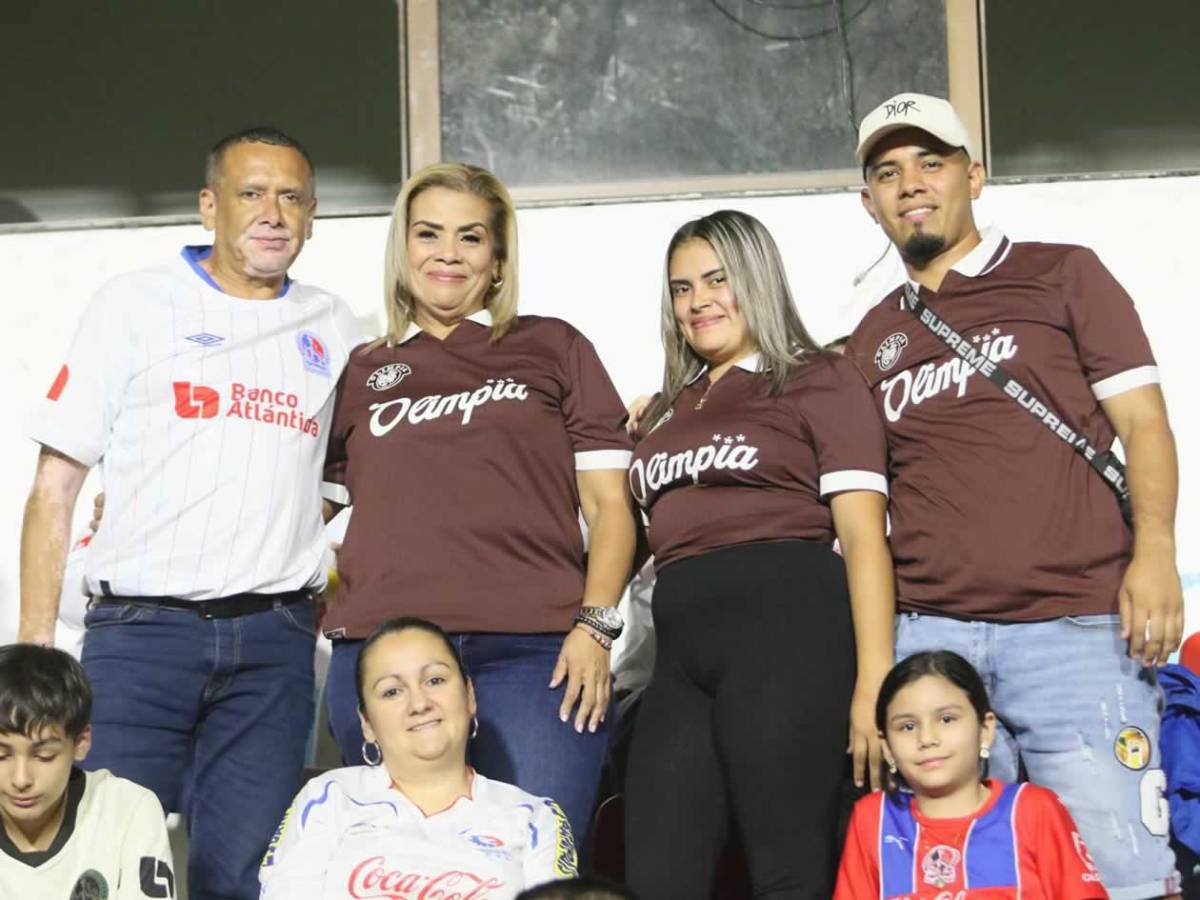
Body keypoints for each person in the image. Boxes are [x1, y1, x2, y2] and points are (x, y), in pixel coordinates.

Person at [845, 92, 1183, 897]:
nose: (912, 184)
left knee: (1126, 874)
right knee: (957, 882)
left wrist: (1159, 550)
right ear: (869, 203)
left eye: (932, 161)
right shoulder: (868, 338)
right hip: (935, 643)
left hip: (1078, 630)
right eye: (888, 173)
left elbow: (1143, 423)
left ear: (975, 175)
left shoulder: (1063, 272)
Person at [19, 126, 362, 898]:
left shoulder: (336, 327)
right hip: (141, 641)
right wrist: (36, 644)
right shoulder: (134, 304)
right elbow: (56, 485)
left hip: (272, 648)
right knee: (95, 866)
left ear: (312, 215)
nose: (272, 213)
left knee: (240, 876)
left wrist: (298, 512)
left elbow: (341, 469)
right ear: (210, 206)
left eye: (291, 197)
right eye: (250, 194)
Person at [319, 163, 635, 843]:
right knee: (401, 869)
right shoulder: (362, 369)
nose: (448, 254)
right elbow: (299, 510)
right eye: (429, 233)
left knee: (537, 862)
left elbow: (612, 508)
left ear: (497, 258)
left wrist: (597, 629)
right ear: (403, 248)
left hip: (538, 655)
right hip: (387, 653)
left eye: (470, 237)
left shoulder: (553, 347)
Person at [623, 209, 895, 899]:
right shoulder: (663, 414)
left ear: (758, 279)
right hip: (680, 656)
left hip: (791, 635)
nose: (698, 301)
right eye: (681, 288)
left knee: (787, 868)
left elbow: (865, 540)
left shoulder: (818, 380)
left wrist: (874, 685)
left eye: (718, 280)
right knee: (658, 874)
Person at [259, 617, 578, 899]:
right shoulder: (328, 797)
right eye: (391, 691)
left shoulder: (536, 818)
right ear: (367, 724)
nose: (419, 702)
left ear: (469, 697)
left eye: (435, 680)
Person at [836, 650, 1109, 899]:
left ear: (985, 729)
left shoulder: (1033, 809)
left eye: (946, 719)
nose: (927, 738)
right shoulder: (874, 818)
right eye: (908, 726)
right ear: (887, 747)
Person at [0, 643, 175, 899]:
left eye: (44, 756)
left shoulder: (128, 810)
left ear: (81, 743)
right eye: (2, 755)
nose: (21, 779)